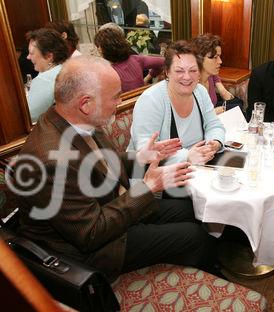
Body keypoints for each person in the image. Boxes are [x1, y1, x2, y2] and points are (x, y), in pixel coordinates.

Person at [12, 56, 217, 281]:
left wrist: (140, 157)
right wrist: (148, 187)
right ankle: (202, 280)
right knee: (195, 236)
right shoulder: (50, 161)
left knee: (193, 209)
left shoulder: (78, 119)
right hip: (93, 249)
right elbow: (91, 233)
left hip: (112, 207)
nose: (119, 103)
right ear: (86, 103)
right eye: (115, 97)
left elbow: (100, 163)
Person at [129, 41, 225, 166]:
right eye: (179, 71)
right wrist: (187, 156)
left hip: (198, 168)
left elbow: (214, 125)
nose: (187, 77)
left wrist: (214, 143)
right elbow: (145, 151)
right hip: (157, 176)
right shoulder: (151, 100)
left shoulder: (200, 92)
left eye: (193, 70)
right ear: (167, 72)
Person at [94, 27, 164, 92]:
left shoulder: (108, 73)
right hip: (141, 100)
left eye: (98, 47)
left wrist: (148, 78)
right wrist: (147, 78)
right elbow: (163, 61)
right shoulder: (136, 59)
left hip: (126, 104)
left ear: (101, 49)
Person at [26, 28, 70, 122]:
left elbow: (29, 116)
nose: (28, 57)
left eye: (31, 53)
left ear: (49, 56)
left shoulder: (45, 80)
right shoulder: (69, 69)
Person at [191, 33, 234, 114]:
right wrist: (212, 113)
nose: (220, 61)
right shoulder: (189, 85)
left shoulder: (210, 75)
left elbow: (215, 77)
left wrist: (222, 89)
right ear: (199, 58)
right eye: (215, 57)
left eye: (219, 56)